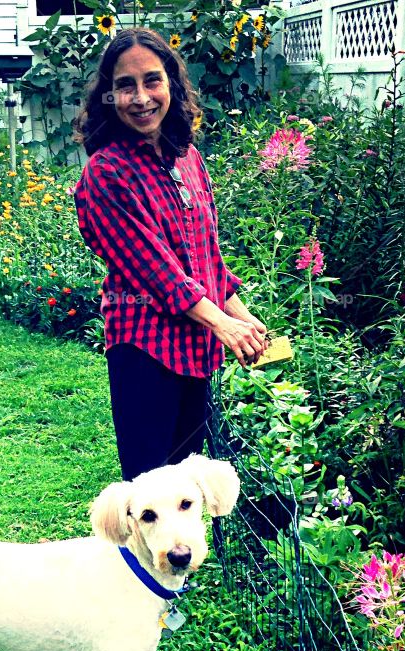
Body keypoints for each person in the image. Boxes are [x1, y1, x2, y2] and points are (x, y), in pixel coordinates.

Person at [72, 26, 268, 482]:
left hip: (195, 345)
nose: (141, 98)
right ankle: (129, 558)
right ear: (109, 95)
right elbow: (156, 271)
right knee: (148, 489)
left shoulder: (186, 157)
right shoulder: (107, 174)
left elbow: (206, 257)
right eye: (125, 85)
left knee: (182, 485)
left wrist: (240, 314)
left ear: (171, 86)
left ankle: (179, 556)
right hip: (146, 349)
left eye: (152, 80)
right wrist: (224, 325)